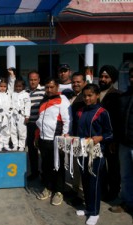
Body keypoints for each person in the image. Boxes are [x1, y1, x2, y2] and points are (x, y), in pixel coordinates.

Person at [75, 84, 113, 225]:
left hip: (96, 153)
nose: (87, 98)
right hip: (82, 151)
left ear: (97, 95)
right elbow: (76, 132)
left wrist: (100, 138)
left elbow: (110, 134)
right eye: (85, 96)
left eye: (90, 95)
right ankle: (88, 208)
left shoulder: (102, 112)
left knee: (94, 182)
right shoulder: (79, 112)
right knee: (85, 180)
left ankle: (95, 212)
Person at [35, 77, 71, 206]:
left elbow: (67, 121)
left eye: (51, 87)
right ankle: (48, 188)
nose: (49, 90)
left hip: (56, 139)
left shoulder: (63, 100)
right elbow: (40, 121)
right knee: (45, 165)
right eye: (47, 87)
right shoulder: (44, 100)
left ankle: (59, 191)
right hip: (43, 139)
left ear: (57, 87)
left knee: (58, 166)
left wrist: (63, 139)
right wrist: (37, 136)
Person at [109, 67, 133, 215]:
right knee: (125, 175)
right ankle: (127, 203)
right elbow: (118, 121)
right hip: (124, 143)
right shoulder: (124, 96)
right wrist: (115, 140)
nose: (132, 78)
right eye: (131, 76)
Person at [98, 65, 122, 202]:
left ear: (112, 79)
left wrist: (114, 139)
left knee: (113, 167)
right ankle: (102, 190)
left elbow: (118, 119)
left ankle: (113, 192)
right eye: (101, 76)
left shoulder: (117, 95)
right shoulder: (95, 93)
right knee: (100, 166)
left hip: (111, 138)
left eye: (106, 77)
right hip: (97, 137)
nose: (102, 79)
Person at [69, 72, 87, 206]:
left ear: (84, 83)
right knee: (75, 166)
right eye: (74, 82)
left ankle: (82, 195)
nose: (76, 84)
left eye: (78, 82)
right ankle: (75, 191)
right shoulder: (70, 96)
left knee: (83, 168)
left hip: (84, 138)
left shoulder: (86, 98)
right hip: (73, 137)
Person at [26, 70, 45, 180]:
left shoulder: (44, 91)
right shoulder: (25, 92)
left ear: (39, 80)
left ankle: (44, 173)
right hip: (29, 125)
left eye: (35, 80)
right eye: (31, 80)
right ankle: (34, 172)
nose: (32, 82)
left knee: (42, 151)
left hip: (41, 126)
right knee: (32, 150)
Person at [10, 79, 31, 151]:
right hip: (13, 114)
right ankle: (15, 144)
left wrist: (27, 116)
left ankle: (21, 145)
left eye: (20, 86)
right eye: (16, 86)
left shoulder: (26, 94)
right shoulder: (13, 93)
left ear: (23, 86)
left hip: (22, 115)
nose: (18, 88)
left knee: (22, 131)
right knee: (13, 130)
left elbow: (28, 106)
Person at [0, 78, 12, 151]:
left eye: (4, 86)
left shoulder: (9, 94)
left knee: (6, 131)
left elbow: (12, 84)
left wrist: (12, 76)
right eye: (1, 86)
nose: (2, 88)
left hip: (6, 115)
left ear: (7, 87)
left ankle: (6, 144)